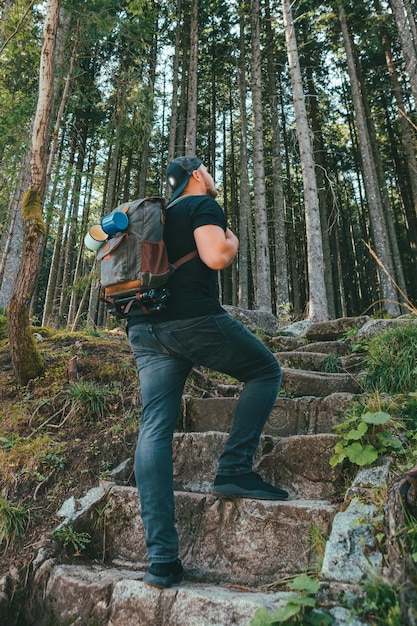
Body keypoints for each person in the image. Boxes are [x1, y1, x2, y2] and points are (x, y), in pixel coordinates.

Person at [126, 156, 288, 589]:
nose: (213, 177)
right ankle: (234, 469)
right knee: (265, 370)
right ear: (196, 175)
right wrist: (231, 239)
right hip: (192, 320)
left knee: (155, 427)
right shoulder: (200, 205)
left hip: (143, 327)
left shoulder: (157, 214)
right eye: (209, 170)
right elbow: (216, 256)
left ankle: (162, 561)